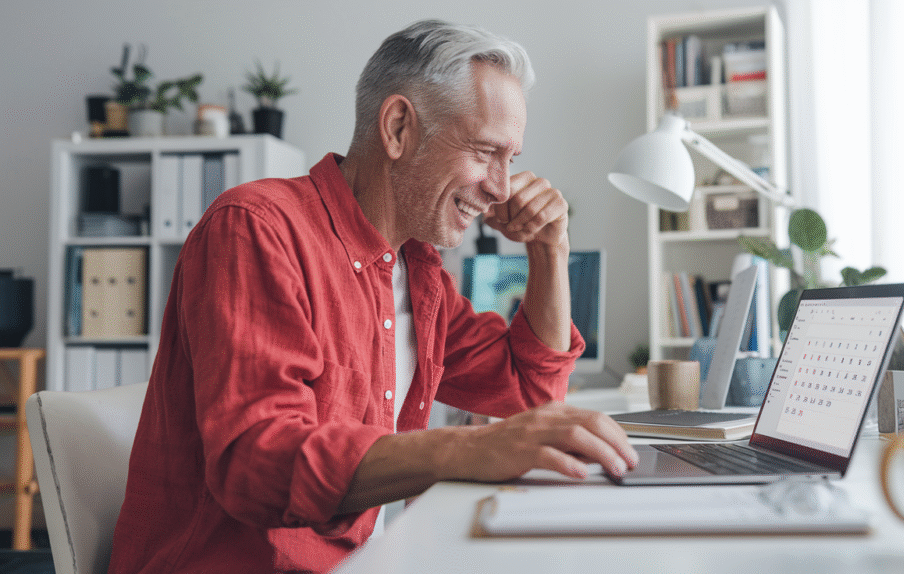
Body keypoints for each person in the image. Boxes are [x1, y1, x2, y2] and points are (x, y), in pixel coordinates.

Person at [107, 20, 637, 573]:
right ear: (399, 127)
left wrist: (550, 248)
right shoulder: (257, 228)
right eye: (485, 152)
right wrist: (469, 452)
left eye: (511, 160)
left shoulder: (417, 269)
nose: (502, 187)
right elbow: (256, 463)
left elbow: (530, 392)